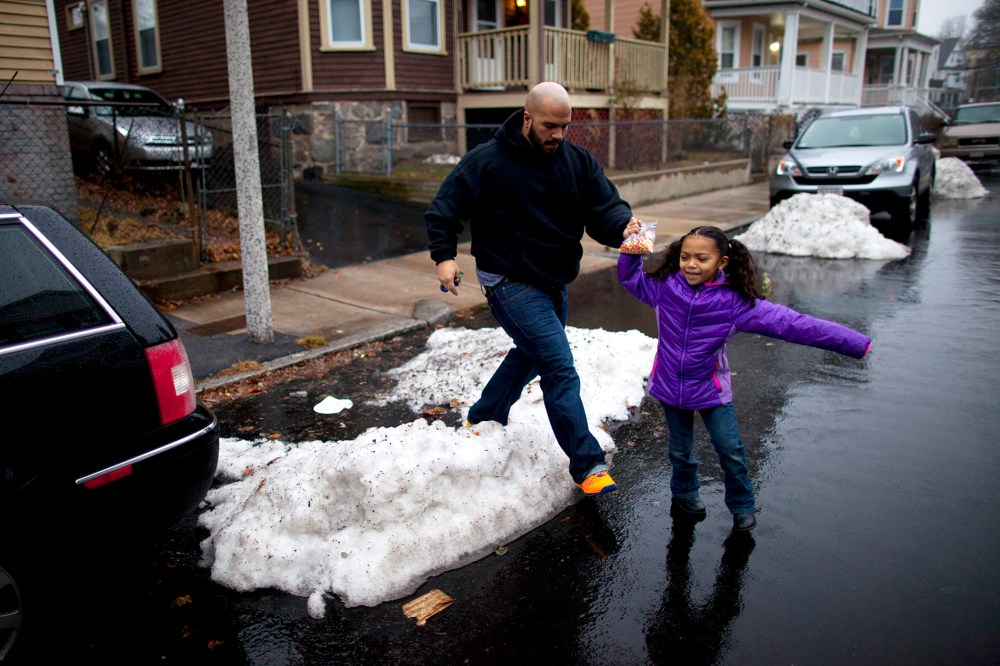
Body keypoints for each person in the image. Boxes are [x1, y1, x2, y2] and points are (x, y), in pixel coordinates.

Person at [424, 81, 637, 497]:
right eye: (549, 126)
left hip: (553, 278)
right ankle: (588, 464)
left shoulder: (576, 162)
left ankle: (486, 414)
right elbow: (443, 208)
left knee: (531, 351)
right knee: (558, 365)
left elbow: (604, 208)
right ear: (527, 119)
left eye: (564, 126)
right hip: (507, 279)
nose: (557, 134)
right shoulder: (487, 161)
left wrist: (622, 226)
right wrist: (444, 256)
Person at [617, 224, 872, 531]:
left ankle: (741, 506)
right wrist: (633, 245)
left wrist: (854, 342)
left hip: (711, 390)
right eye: (685, 257)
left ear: (722, 262)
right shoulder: (666, 287)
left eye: (701, 258)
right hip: (671, 386)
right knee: (679, 450)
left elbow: (795, 324)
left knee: (730, 451)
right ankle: (684, 494)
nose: (691, 265)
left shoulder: (734, 303)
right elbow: (630, 277)